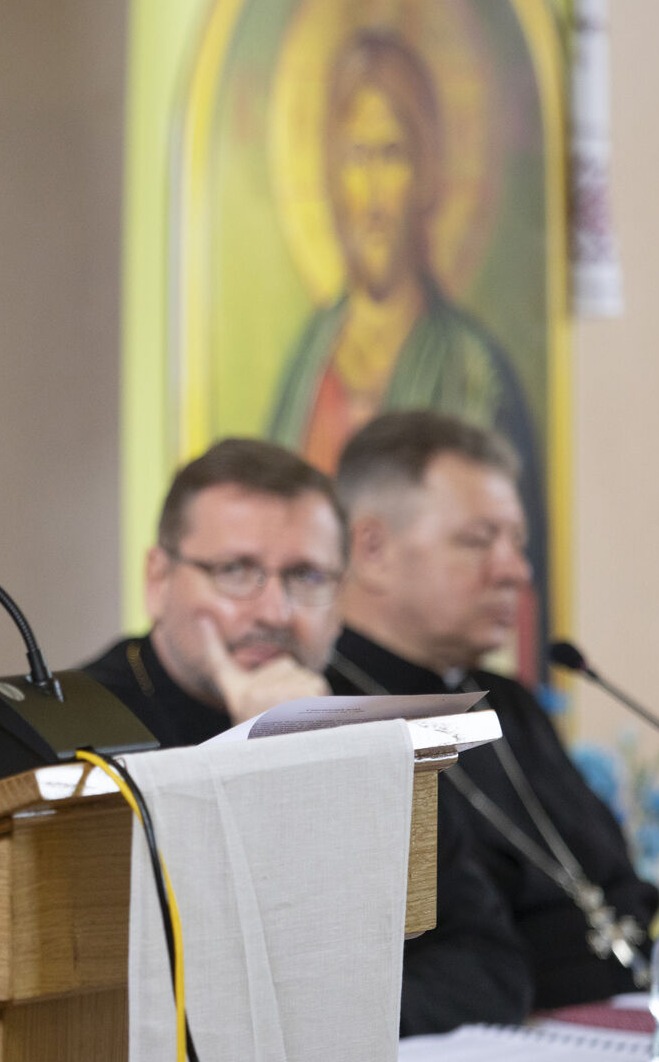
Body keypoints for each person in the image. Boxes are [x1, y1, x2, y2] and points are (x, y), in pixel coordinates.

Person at [84, 437, 532, 1034]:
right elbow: (139, 984)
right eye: (236, 571)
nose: (274, 611)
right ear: (158, 579)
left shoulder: (360, 725)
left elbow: (491, 969)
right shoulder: (79, 726)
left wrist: (311, 746)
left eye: (306, 576)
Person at [328, 409, 658, 1010]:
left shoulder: (510, 703)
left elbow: (614, 879)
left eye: (517, 544)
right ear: (372, 549)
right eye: (478, 541)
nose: (515, 571)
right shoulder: (323, 716)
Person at [266, 31, 548, 662]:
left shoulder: (475, 371)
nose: (369, 194)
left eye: (391, 154)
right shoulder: (309, 363)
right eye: (353, 156)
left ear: (426, 177)